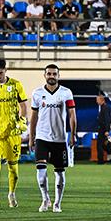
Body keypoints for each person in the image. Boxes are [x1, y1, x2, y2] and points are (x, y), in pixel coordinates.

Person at [29, 64, 76, 213]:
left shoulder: (66, 93)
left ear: (58, 76)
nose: (51, 76)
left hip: (60, 139)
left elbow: (72, 115)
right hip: (42, 137)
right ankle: (45, 199)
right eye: (49, 74)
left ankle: (57, 202)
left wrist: (72, 134)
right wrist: (32, 137)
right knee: (41, 171)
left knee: (60, 173)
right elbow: (34, 117)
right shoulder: (37, 93)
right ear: (45, 75)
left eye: (54, 74)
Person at [96, 92, 111, 164]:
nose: (96, 101)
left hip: (103, 130)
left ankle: (101, 161)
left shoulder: (106, 108)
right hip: (102, 129)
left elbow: (107, 120)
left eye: (97, 100)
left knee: (100, 145)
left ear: (102, 100)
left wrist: (107, 130)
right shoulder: (103, 108)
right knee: (104, 145)